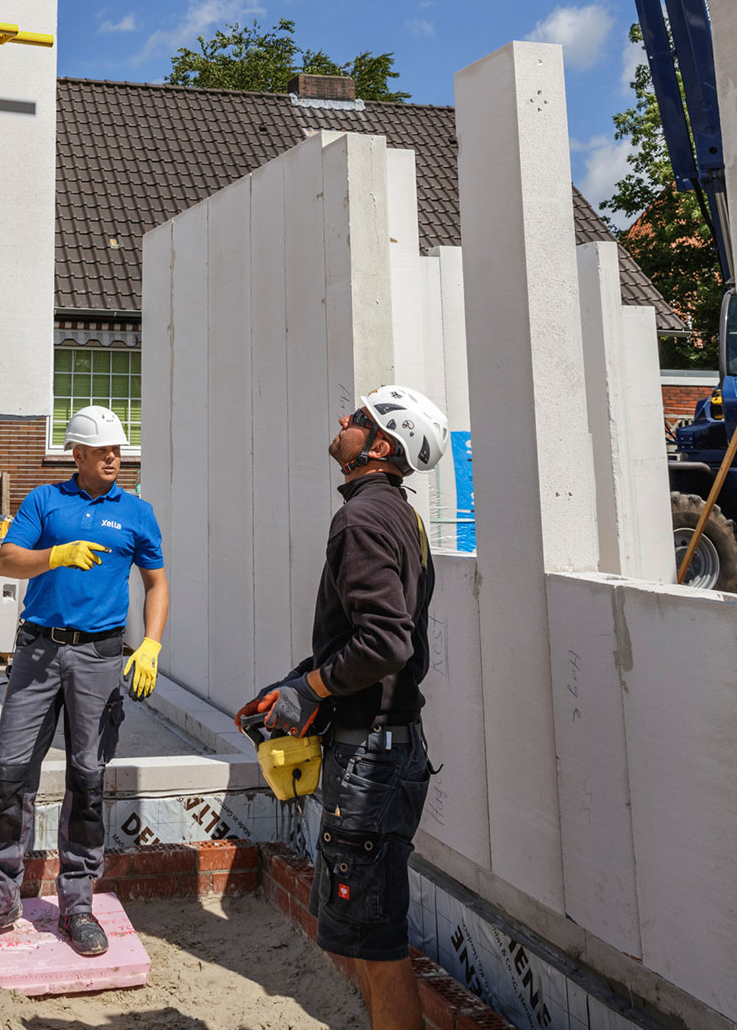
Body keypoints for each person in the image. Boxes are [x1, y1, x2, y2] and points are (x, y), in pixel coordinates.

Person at [235, 385, 449, 1030]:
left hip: (371, 760)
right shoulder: (396, 512)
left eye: (357, 419)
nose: (342, 421)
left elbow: (386, 640)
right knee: (363, 930)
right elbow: (376, 636)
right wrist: (301, 681)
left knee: (373, 940)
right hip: (384, 747)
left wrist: (313, 691)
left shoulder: (360, 519)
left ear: (378, 445)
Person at [0, 405, 168, 957]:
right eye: (103, 452)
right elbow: (6, 561)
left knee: (88, 780)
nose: (113, 460)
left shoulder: (137, 512)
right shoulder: (44, 501)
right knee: (8, 775)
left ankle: (77, 905)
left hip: (99, 658)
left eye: (117, 452)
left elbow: (156, 584)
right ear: (76, 454)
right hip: (37, 653)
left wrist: (150, 642)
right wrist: (55, 554)